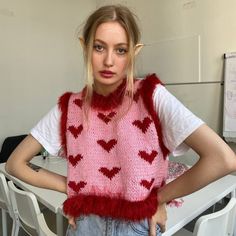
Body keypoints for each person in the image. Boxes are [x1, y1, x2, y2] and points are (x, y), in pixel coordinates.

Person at [5, 4, 236, 236]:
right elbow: (15, 164)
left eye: (121, 50)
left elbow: (223, 159)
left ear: (134, 52)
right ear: (84, 47)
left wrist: (159, 198)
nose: (108, 60)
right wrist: (73, 188)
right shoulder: (70, 107)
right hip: (86, 224)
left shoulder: (151, 96)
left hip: (135, 225)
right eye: (99, 47)